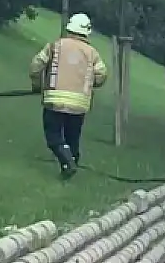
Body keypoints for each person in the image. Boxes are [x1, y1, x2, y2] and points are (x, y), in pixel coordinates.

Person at [29, 13, 108, 178]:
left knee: (54, 136)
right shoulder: (92, 53)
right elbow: (101, 75)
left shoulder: (55, 46)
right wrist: (88, 84)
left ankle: (68, 162)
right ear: (86, 32)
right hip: (79, 104)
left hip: (54, 100)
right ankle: (71, 164)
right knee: (73, 137)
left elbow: (37, 65)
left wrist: (37, 86)